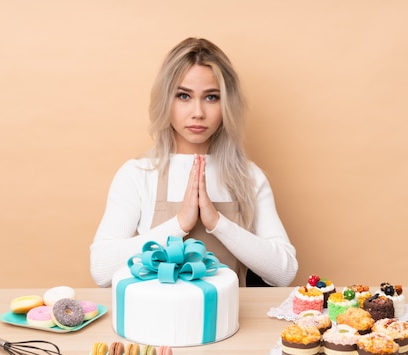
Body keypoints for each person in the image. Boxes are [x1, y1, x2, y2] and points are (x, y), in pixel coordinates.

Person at [90, 37, 298, 287]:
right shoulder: (138, 173)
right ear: (166, 100)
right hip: (157, 320)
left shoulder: (250, 177)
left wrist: (218, 223)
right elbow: (101, 270)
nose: (198, 112)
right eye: (183, 96)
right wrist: (179, 224)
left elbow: (284, 273)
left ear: (226, 104)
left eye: (211, 97)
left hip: (229, 322)